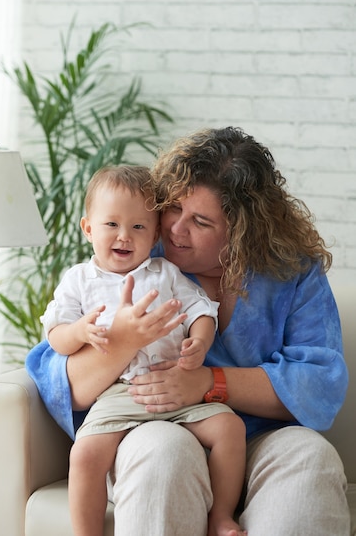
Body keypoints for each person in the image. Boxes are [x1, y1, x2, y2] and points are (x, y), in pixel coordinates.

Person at [26, 127, 350, 536]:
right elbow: (62, 380)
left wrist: (207, 382)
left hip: (260, 438)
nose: (176, 229)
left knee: (311, 457)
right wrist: (124, 341)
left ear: (243, 229)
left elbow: (320, 382)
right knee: (164, 452)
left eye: (200, 221)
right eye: (173, 209)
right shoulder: (138, 251)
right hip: (151, 426)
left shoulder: (291, 272)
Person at [41, 165, 247, 536]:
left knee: (230, 428)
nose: (124, 236)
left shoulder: (165, 273)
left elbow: (202, 310)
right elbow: (55, 335)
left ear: (153, 234)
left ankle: (220, 516)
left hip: (178, 386)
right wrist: (80, 331)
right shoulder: (79, 280)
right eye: (111, 225)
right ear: (88, 228)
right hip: (122, 391)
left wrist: (199, 342)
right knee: (85, 455)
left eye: (138, 227)